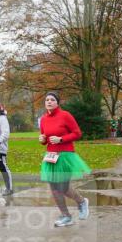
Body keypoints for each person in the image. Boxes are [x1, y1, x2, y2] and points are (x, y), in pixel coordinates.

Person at [38, 91, 91, 227]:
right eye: (47, 100)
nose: (49, 102)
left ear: (57, 102)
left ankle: (82, 202)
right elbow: (45, 138)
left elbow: (77, 133)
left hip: (65, 155)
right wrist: (42, 139)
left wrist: (61, 139)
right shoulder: (43, 119)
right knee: (54, 187)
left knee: (63, 187)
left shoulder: (65, 115)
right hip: (50, 156)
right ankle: (66, 216)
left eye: (52, 100)